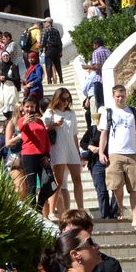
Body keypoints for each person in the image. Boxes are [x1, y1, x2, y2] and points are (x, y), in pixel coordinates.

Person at [98, 85, 136, 230]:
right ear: (113, 96)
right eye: (118, 96)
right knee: (116, 185)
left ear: (126, 96)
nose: (120, 99)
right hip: (115, 153)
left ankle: (135, 219)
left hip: (132, 153)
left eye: (123, 96)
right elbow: (104, 134)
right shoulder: (108, 113)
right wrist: (101, 152)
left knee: (135, 188)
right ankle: (120, 207)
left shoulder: (134, 112)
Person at [45, 88, 85, 216]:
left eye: (68, 99)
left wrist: (78, 153)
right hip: (58, 148)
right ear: (57, 99)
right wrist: (54, 125)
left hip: (71, 148)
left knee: (77, 179)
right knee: (59, 181)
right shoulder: (50, 112)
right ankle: (52, 211)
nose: (66, 102)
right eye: (63, 99)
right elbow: (42, 128)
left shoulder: (71, 113)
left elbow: (74, 134)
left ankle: (81, 210)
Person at [17, 97, 50, 205]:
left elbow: (45, 138)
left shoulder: (40, 121)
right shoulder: (21, 120)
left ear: (35, 107)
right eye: (27, 106)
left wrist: (47, 154)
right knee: (32, 185)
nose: (30, 109)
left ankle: (39, 208)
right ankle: (32, 210)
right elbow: (20, 128)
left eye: (32, 106)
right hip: (29, 155)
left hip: (42, 155)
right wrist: (25, 122)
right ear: (23, 107)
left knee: (46, 184)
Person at [40, 19, 63, 85]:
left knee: (48, 65)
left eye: (45, 22)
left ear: (48, 23)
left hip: (49, 49)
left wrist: (41, 50)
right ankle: (61, 79)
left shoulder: (46, 30)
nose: (44, 24)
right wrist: (60, 51)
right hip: (56, 50)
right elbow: (60, 42)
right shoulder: (56, 31)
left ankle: (49, 80)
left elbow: (43, 41)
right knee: (58, 65)